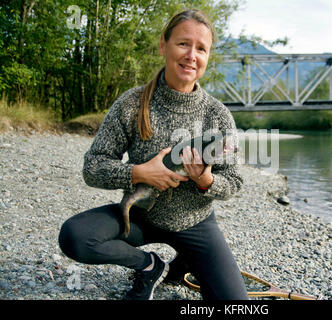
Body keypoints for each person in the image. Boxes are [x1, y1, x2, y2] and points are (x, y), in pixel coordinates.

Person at [58, 9, 248, 300]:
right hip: (138, 217)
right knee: (74, 237)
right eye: (183, 44)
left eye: (201, 49)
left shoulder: (218, 115)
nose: (191, 55)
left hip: (194, 223)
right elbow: (92, 167)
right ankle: (149, 267)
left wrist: (206, 180)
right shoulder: (131, 104)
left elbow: (234, 182)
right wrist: (139, 173)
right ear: (164, 45)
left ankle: (185, 262)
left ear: (208, 57)